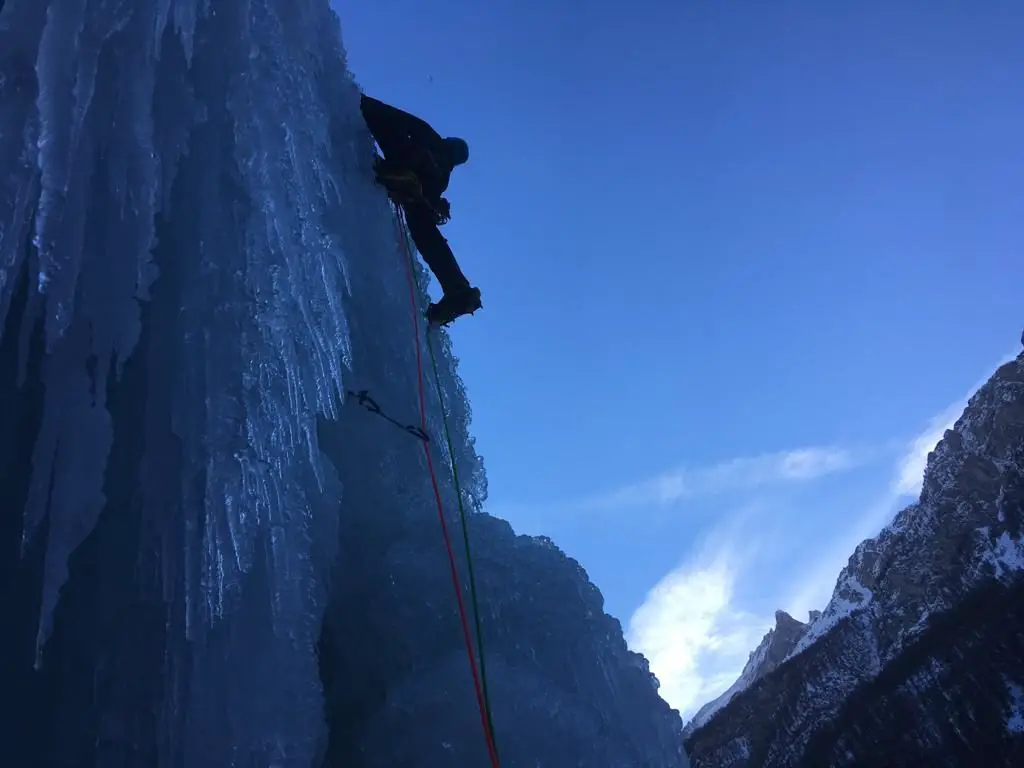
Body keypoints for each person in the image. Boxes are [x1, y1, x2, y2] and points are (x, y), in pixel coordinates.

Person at [359, 93, 482, 327]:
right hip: (415, 180)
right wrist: (432, 203)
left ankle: (403, 177)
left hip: (405, 161)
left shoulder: (432, 140)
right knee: (424, 227)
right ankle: (457, 287)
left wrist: (359, 100)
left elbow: (395, 117)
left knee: (421, 216)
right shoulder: (443, 177)